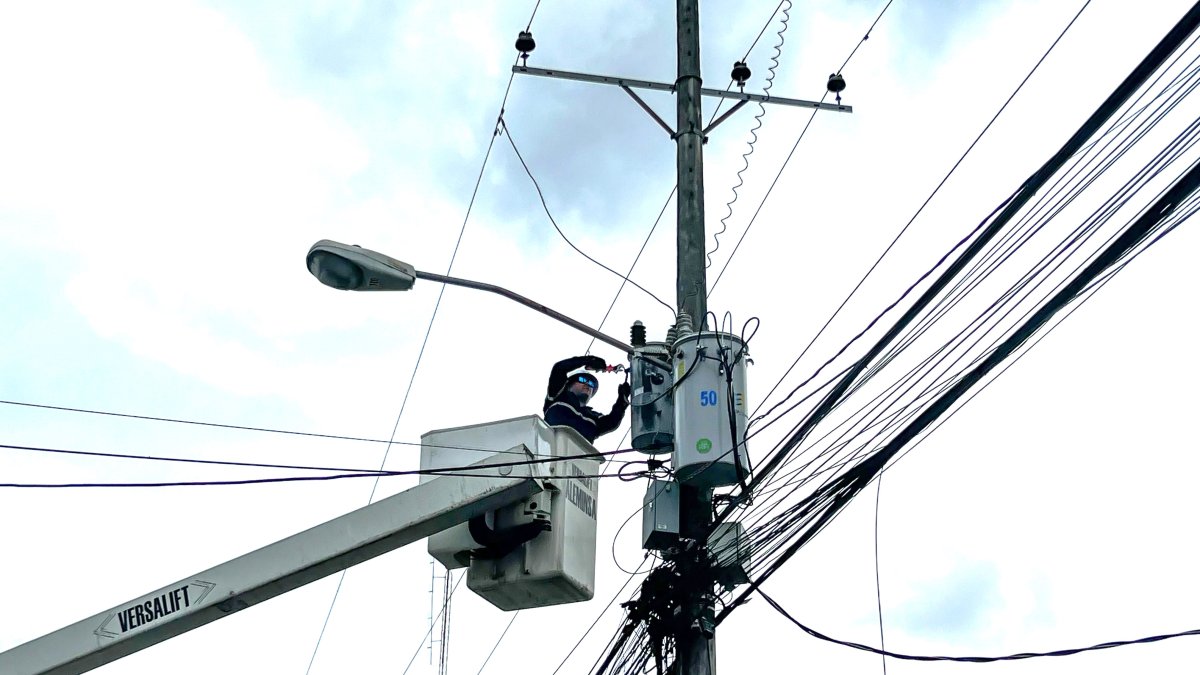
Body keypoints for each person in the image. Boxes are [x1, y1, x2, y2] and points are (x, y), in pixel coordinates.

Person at [543, 355, 631, 443]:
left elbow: (612, 421)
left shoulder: (593, 417)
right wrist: (589, 360)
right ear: (568, 385)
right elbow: (559, 368)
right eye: (582, 379)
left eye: (591, 384)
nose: (587, 385)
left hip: (580, 455)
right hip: (552, 450)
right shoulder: (558, 395)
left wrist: (622, 399)